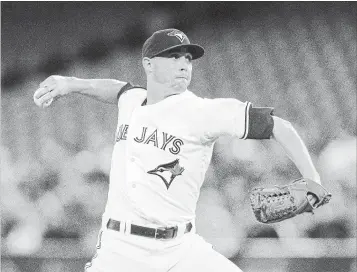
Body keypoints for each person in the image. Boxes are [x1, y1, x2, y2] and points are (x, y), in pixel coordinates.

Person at [33, 28, 321, 272]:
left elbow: (278, 126)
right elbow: (115, 88)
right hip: (119, 250)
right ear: (148, 64)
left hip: (180, 249)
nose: (184, 64)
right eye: (173, 57)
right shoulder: (131, 100)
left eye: (188, 59)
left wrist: (312, 179)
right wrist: (69, 83)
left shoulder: (201, 111)